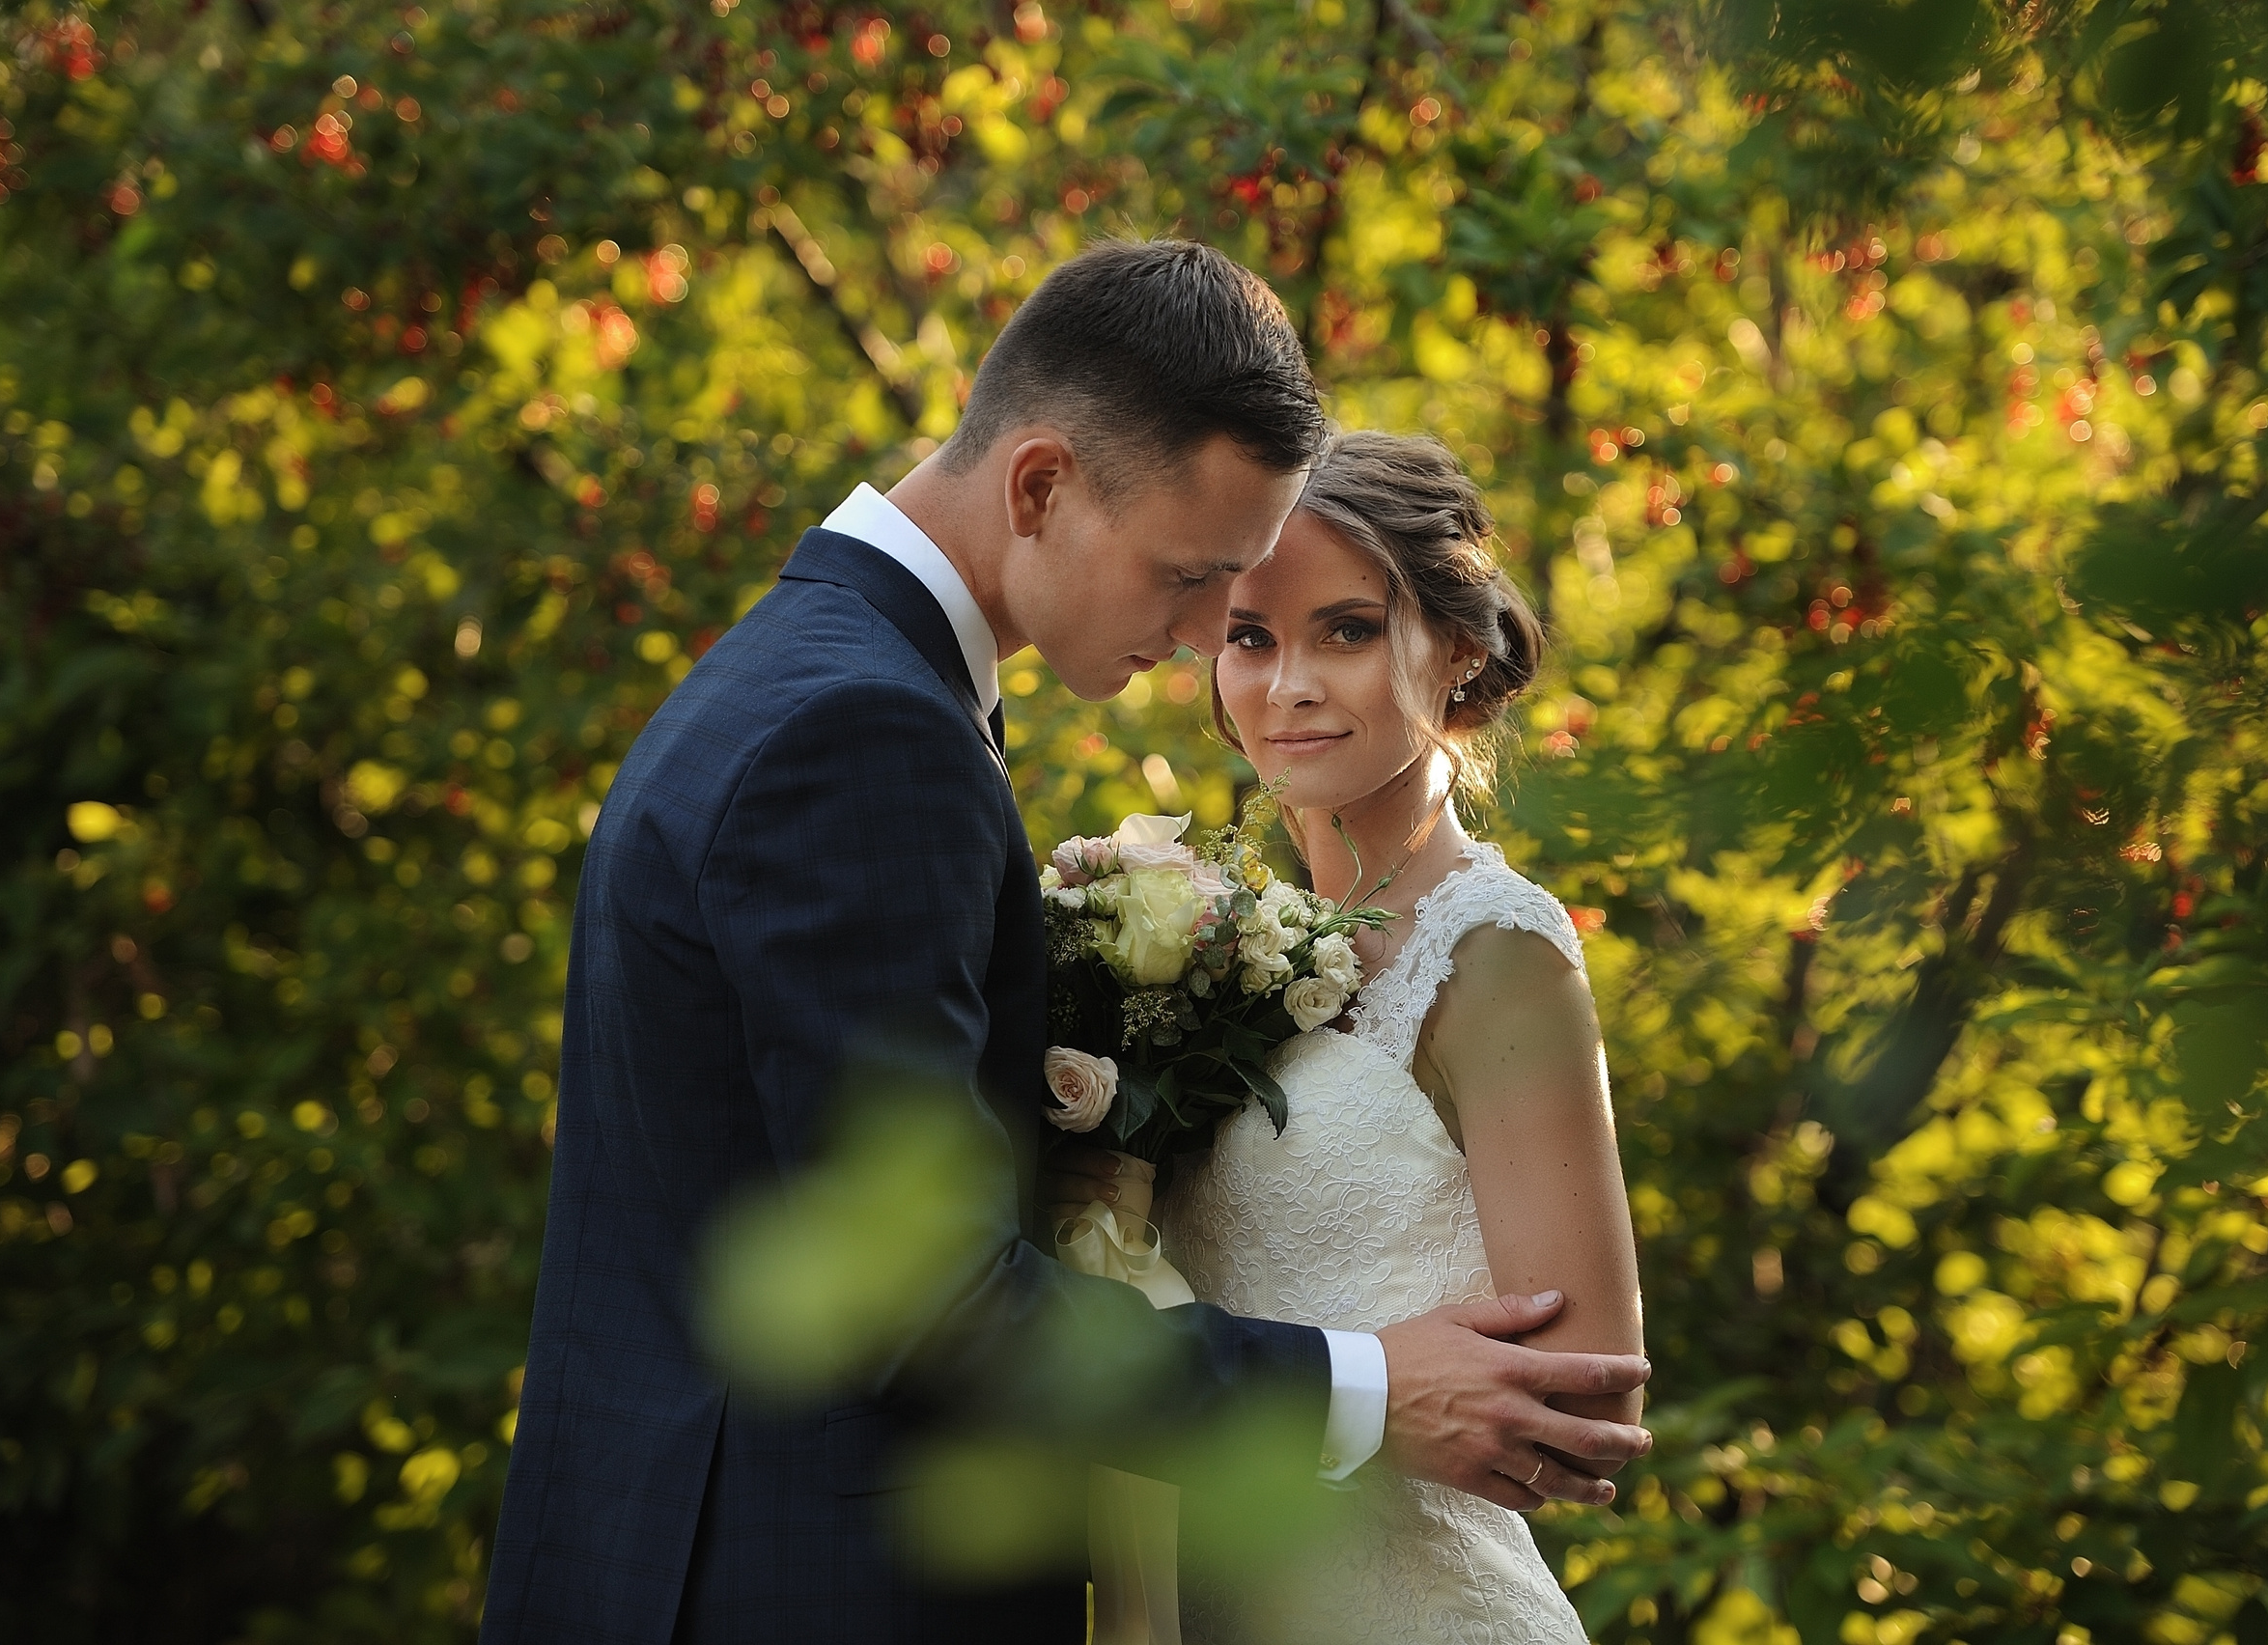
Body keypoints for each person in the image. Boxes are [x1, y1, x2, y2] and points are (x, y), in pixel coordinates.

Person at [481, 242, 1651, 1645]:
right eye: (1196, 576)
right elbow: (926, 1303)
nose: (1219, 634)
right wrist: (1362, 1392)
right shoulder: (863, 737)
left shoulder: (814, 678)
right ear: (1040, 485)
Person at [1159, 430, 1646, 1642]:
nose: (1289, 686)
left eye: (1347, 630)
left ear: (1460, 650)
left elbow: (1584, 1402)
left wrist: (1347, 1394)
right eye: (1250, 637)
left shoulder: (1495, 955)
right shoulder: (1212, 953)